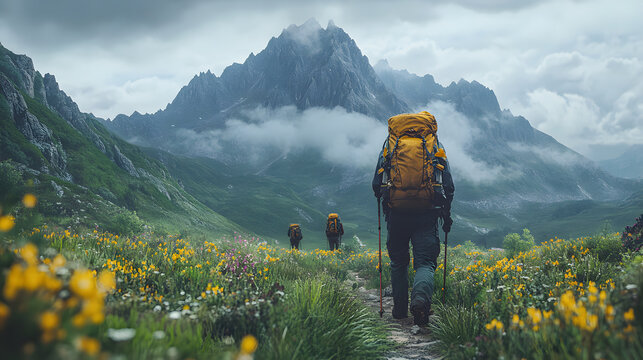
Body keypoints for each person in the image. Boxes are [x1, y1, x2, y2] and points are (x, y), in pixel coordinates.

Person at [372, 111, 454, 326]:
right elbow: (447, 181)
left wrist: (385, 201)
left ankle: (399, 311)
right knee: (425, 263)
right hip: (427, 213)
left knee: (398, 262)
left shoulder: (390, 144)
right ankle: (420, 302)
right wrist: (447, 214)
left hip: (397, 213)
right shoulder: (433, 144)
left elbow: (376, 182)